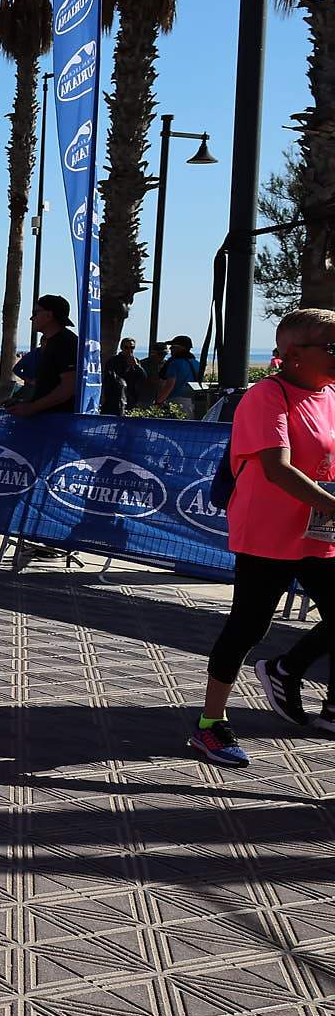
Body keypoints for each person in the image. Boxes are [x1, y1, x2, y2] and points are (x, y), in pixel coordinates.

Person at [186, 307, 335, 763]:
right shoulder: (266, 397)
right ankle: (211, 724)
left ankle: (286, 670)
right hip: (267, 531)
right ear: (292, 354)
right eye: (331, 347)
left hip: (317, 530)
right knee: (249, 625)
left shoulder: (330, 393)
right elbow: (276, 467)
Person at [7, 295, 78, 417]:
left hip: (59, 423)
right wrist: (26, 403)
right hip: (47, 420)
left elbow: (68, 387)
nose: (31, 318)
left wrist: (31, 408)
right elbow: (49, 386)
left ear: (49, 315)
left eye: (35, 313)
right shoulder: (52, 342)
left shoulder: (65, 342)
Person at [154, 335, 201, 416]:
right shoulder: (196, 363)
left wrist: (159, 401)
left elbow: (169, 385)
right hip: (192, 401)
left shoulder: (174, 363)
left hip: (176, 402)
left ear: (181, 348)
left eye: (173, 347)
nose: (171, 349)